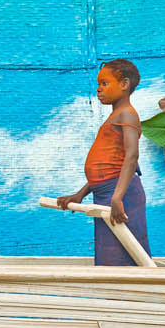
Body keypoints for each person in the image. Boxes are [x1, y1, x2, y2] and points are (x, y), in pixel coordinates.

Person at [56, 59, 150, 265]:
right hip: (106, 193)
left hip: (121, 195)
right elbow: (107, 166)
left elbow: (131, 156)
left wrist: (117, 197)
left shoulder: (127, 114)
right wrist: (80, 194)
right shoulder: (115, 116)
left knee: (128, 255)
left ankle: (135, 287)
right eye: (99, 84)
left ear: (124, 84)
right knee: (109, 254)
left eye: (105, 83)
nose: (99, 89)